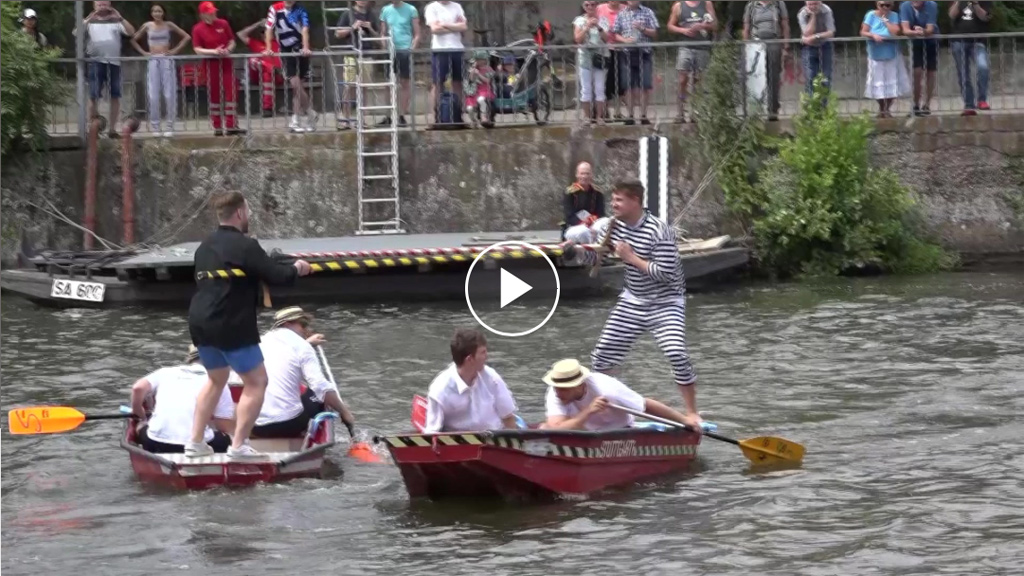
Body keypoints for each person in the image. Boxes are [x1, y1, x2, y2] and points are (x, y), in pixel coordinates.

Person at [562, 180, 702, 431]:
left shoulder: (661, 231)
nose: (613, 204)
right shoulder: (615, 226)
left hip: (666, 302)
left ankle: (692, 413)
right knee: (602, 357)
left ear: (635, 201)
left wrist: (631, 258)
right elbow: (599, 255)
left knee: (676, 354)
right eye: (613, 199)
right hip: (633, 300)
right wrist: (577, 253)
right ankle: (609, 412)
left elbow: (666, 274)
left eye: (619, 200)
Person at [186, 191, 312, 460]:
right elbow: (277, 275)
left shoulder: (204, 247)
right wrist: (298, 268)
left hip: (199, 322)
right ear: (240, 213)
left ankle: (195, 442)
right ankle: (239, 446)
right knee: (256, 382)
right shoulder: (245, 245)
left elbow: (249, 270)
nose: (249, 216)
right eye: (249, 211)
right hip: (231, 323)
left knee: (215, 380)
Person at [239, 307, 358, 439]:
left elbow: (282, 354)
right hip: (288, 425)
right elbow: (320, 386)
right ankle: (310, 435)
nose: (306, 330)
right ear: (287, 323)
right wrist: (344, 411)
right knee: (320, 395)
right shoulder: (302, 346)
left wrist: (308, 343)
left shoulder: (260, 342)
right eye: (303, 324)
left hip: (254, 425)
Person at [130, 345, 235, 454]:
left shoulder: (165, 372)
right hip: (197, 445)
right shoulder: (219, 382)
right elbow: (222, 425)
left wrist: (141, 415)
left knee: (140, 427)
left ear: (190, 358)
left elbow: (137, 388)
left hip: (155, 442)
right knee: (227, 438)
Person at [541, 358, 695, 432]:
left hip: (619, 431)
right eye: (557, 388)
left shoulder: (607, 389)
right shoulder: (555, 392)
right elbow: (556, 428)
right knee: (544, 428)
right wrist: (588, 412)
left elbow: (646, 405)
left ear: (580, 384)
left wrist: (685, 421)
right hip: (583, 433)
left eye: (564, 389)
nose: (558, 393)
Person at [423, 328, 519, 433]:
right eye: (483, 352)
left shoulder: (492, 378)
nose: (487, 356)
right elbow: (432, 434)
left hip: (494, 440)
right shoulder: (439, 391)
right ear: (470, 359)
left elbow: (508, 418)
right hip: (458, 443)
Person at [76, 1, 136, 138]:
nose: (102, 7)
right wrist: (88, 19)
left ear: (110, 5)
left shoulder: (116, 20)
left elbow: (131, 32)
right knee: (93, 95)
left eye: (105, 3)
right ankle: (93, 128)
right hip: (95, 62)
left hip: (114, 63)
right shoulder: (89, 21)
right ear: (94, 5)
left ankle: (112, 129)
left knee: (115, 95)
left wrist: (120, 17)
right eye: (99, 4)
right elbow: (76, 33)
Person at [130, 3, 191, 137]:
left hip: (166, 59)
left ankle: (170, 125)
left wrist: (174, 50)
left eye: (159, 11)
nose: (157, 13)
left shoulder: (169, 25)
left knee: (169, 93)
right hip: (153, 59)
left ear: (163, 12)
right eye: (154, 11)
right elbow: (133, 39)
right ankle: (155, 126)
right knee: (153, 94)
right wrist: (143, 52)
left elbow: (186, 37)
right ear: (151, 13)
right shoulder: (147, 25)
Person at [191, 1, 245, 136]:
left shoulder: (223, 24)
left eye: (214, 11)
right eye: (210, 12)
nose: (213, 13)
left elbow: (232, 41)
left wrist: (228, 49)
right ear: (203, 14)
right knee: (214, 95)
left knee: (231, 92)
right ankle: (217, 126)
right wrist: (213, 52)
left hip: (226, 62)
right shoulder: (198, 29)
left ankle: (232, 125)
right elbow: (197, 49)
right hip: (210, 64)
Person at [267, 1, 317, 133]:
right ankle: (310, 112)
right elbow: (269, 28)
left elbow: (305, 28)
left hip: (300, 48)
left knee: (298, 87)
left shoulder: (301, 10)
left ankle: (296, 120)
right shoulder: (275, 9)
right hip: (286, 50)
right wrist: (268, 48)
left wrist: (305, 47)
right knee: (295, 83)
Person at [668, 1, 717, 124]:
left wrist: (703, 26)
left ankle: (695, 112)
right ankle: (680, 112)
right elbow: (670, 26)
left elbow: (715, 25)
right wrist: (683, 30)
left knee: (698, 81)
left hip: (702, 47)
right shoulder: (679, 6)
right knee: (682, 80)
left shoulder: (706, 4)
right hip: (685, 47)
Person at [611, 1, 658, 126]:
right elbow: (615, 33)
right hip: (627, 54)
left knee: (645, 86)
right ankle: (630, 115)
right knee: (628, 86)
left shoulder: (648, 12)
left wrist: (642, 28)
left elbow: (655, 32)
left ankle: (643, 115)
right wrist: (625, 40)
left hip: (644, 53)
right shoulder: (621, 14)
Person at [334, 1, 379, 130]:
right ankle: (345, 119)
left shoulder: (371, 15)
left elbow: (378, 38)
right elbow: (337, 33)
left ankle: (361, 119)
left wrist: (369, 28)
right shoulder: (347, 14)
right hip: (351, 54)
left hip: (366, 54)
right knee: (350, 87)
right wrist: (353, 27)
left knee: (364, 87)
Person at [861, 1, 909, 119]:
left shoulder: (894, 16)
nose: (884, 8)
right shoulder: (870, 15)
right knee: (878, 83)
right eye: (882, 5)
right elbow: (863, 31)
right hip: (875, 54)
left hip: (892, 53)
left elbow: (895, 32)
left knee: (893, 83)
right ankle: (882, 109)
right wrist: (873, 35)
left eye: (888, 5)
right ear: (877, 5)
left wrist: (885, 20)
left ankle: (887, 109)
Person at [742, 0, 789, 121]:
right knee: (755, 79)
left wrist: (786, 47)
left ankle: (773, 111)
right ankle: (755, 112)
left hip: (774, 42)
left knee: (773, 78)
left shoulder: (778, 4)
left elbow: (785, 25)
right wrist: (746, 47)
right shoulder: (751, 5)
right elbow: (746, 28)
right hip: (755, 44)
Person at [424, 0, 468, 125]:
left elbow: (464, 27)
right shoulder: (432, 7)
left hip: (457, 49)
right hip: (440, 50)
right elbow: (435, 29)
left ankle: (458, 115)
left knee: (458, 83)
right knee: (438, 83)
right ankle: (436, 117)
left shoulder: (457, 6)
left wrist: (443, 24)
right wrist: (455, 26)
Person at [379, 0, 422, 127]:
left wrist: (412, 49)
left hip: (404, 49)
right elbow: (382, 32)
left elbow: (417, 33)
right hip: (390, 50)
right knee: (388, 83)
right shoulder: (385, 10)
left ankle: (401, 115)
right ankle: (388, 115)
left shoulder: (411, 9)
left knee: (405, 82)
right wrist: (384, 45)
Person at [949, 1, 992, 116]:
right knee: (963, 74)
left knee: (983, 68)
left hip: (978, 41)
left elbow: (986, 17)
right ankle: (969, 104)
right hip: (959, 41)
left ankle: (981, 100)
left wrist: (976, 4)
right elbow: (952, 15)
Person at [574, 1, 611, 126]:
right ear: (583, 6)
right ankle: (587, 117)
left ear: (597, 6)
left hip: (600, 58)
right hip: (585, 59)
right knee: (586, 89)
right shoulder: (579, 20)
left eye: (593, 4)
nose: (590, 7)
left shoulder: (603, 20)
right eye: (587, 5)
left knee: (600, 88)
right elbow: (577, 39)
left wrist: (599, 27)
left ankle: (600, 117)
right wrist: (587, 27)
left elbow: (607, 39)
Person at [237, 19, 283, 119]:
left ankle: (267, 109)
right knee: (252, 59)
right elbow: (240, 34)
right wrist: (257, 23)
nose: (264, 34)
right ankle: (270, 68)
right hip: (258, 75)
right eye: (262, 32)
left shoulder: (278, 44)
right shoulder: (255, 43)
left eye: (267, 32)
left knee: (268, 75)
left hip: (276, 76)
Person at [900, 1, 939, 116]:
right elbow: (905, 29)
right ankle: (916, 104)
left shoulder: (931, 5)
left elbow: (930, 28)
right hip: (915, 41)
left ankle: (926, 105)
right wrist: (914, 32)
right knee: (917, 72)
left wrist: (923, 31)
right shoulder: (905, 6)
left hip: (931, 40)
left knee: (930, 73)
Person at [563, 161, 609, 244]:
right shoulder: (569, 193)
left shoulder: (598, 193)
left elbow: (601, 214)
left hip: (594, 225)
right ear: (577, 175)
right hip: (575, 227)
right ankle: (589, 254)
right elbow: (569, 216)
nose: (584, 176)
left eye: (587, 174)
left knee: (606, 221)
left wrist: (592, 221)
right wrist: (584, 223)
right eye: (582, 173)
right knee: (584, 232)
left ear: (591, 175)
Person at [798, 2, 835, 99]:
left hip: (825, 46)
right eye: (810, 4)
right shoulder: (802, 13)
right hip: (809, 48)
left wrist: (815, 36)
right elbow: (807, 33)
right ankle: (812, 108)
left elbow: (831, 32)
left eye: (815, 4)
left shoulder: (826, 10)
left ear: (820, 2)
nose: (813, 6)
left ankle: (823, 109)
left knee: (825, 78)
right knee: (810, 78)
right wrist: (813, 16)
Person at [464, 49, 495, 128]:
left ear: (484, 60)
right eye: (476, 60)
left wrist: (479, 74)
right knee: (469, 108)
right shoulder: (473, 69)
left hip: (485, 90)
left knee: (481, 99)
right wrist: (473, 71)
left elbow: (487, 81)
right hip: (474, 91)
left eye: (479, 60)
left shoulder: (488, 69)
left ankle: (483, 116)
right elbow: (471, 80)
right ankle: (474, 121)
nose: (477, 62)